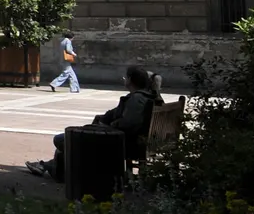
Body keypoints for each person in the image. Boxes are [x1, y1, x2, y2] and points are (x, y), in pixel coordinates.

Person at [27, 66, 162, 182]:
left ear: (131, 80)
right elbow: (120, 116)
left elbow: (128, 123)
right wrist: (104, 118)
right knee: (70, 139)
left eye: (126, 77)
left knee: (63, 139)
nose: (124, 79)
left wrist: (108, 126)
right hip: (136, 140)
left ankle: (52, 169)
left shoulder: (137, 99)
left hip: (122, 142)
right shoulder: (149, 98)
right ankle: (47, 167)